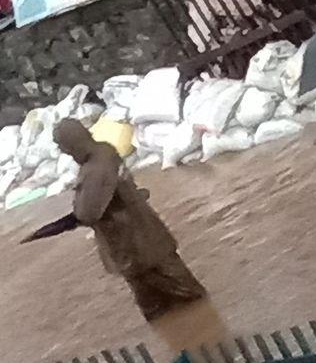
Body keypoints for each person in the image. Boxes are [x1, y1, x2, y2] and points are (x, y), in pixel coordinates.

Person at [22, 119, 206, 322]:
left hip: (134, 250)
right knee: (170, 306)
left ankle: (202, 339)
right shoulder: (105, 152)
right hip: (147, 241)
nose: (63, 151)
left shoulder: (95, 171)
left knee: (181, 300)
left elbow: (87, 214)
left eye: (62, 146)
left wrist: (53, 228)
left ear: (72, 144)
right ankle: (197, 340)